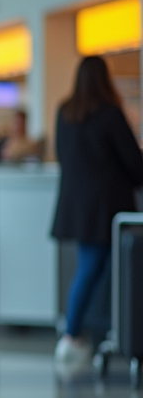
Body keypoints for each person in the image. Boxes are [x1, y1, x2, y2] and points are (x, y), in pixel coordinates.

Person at [51, 56, 143, 379]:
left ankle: (86, 331)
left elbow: (62, 155)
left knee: (93, 269)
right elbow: (134, 161)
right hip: (106, 207)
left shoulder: (66, 113)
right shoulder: (109, 114)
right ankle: (74, 333)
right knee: (94, 269)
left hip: (77, 205)